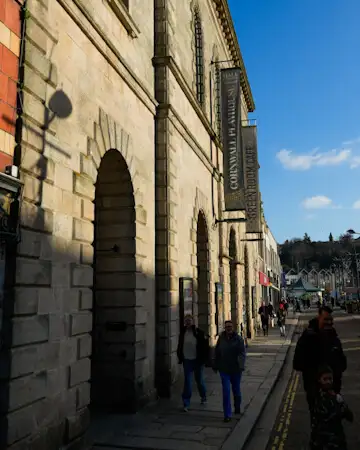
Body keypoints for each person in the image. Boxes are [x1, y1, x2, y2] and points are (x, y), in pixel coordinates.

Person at [293, 306, 347, 419]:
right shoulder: (308, 337)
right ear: (319, 318)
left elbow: (342, 361)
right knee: (319, 424)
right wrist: (316, 373)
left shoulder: (334, 337)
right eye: (326, 319)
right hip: (315, 391)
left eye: (331, 319)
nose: (329, 322)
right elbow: (297, 363)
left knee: (335, 422)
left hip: (333, 390)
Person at [310, 365, 353, 449]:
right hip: (324, 441)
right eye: (325, 379)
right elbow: (325, 417)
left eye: (330, 379)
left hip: (336, 440)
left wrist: (342, 403)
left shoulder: (336, 397)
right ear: (319, 380)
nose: (328, 382)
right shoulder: (318, 398)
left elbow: (350, 417)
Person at [213, 320, 246, 422]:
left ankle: (237, 407)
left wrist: (240, 365)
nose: (228, 328)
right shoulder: (221, 338)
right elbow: (217, 352)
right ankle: (227, 414)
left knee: (236, 391)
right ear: (224, 328)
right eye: (227, 326)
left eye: (230, 326)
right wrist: (215, 364)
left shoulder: (239, 339)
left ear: (233, 327)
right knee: (226, 391)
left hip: (236, 369)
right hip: (224, 369)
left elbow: (242, 353)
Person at [177, 314, 208, 411]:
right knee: (188, 382)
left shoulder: (198, 332)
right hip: (187, 360)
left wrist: (204, 359)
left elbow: (204, 346)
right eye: (186, 320)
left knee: (199, 381)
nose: (188, 322)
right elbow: (180, 345)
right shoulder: (183, 333)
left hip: (197, 361)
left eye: (189, 320)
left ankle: (203, 396)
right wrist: (180, 356)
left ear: (193, 322)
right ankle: (186, 403)